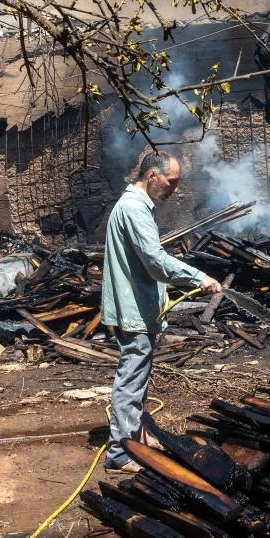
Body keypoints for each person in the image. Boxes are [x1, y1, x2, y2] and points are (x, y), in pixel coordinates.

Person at [101, 150, 222, 474]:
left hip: (139, 307)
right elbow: (154, 260)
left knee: (137, 377)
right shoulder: (134, 209)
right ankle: (120, 453)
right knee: (130, 380)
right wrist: (199, 277)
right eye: (172, 182)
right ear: (152, 177)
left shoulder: (134, 206)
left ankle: (136, 434)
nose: (175, 190)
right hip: (135, 309)